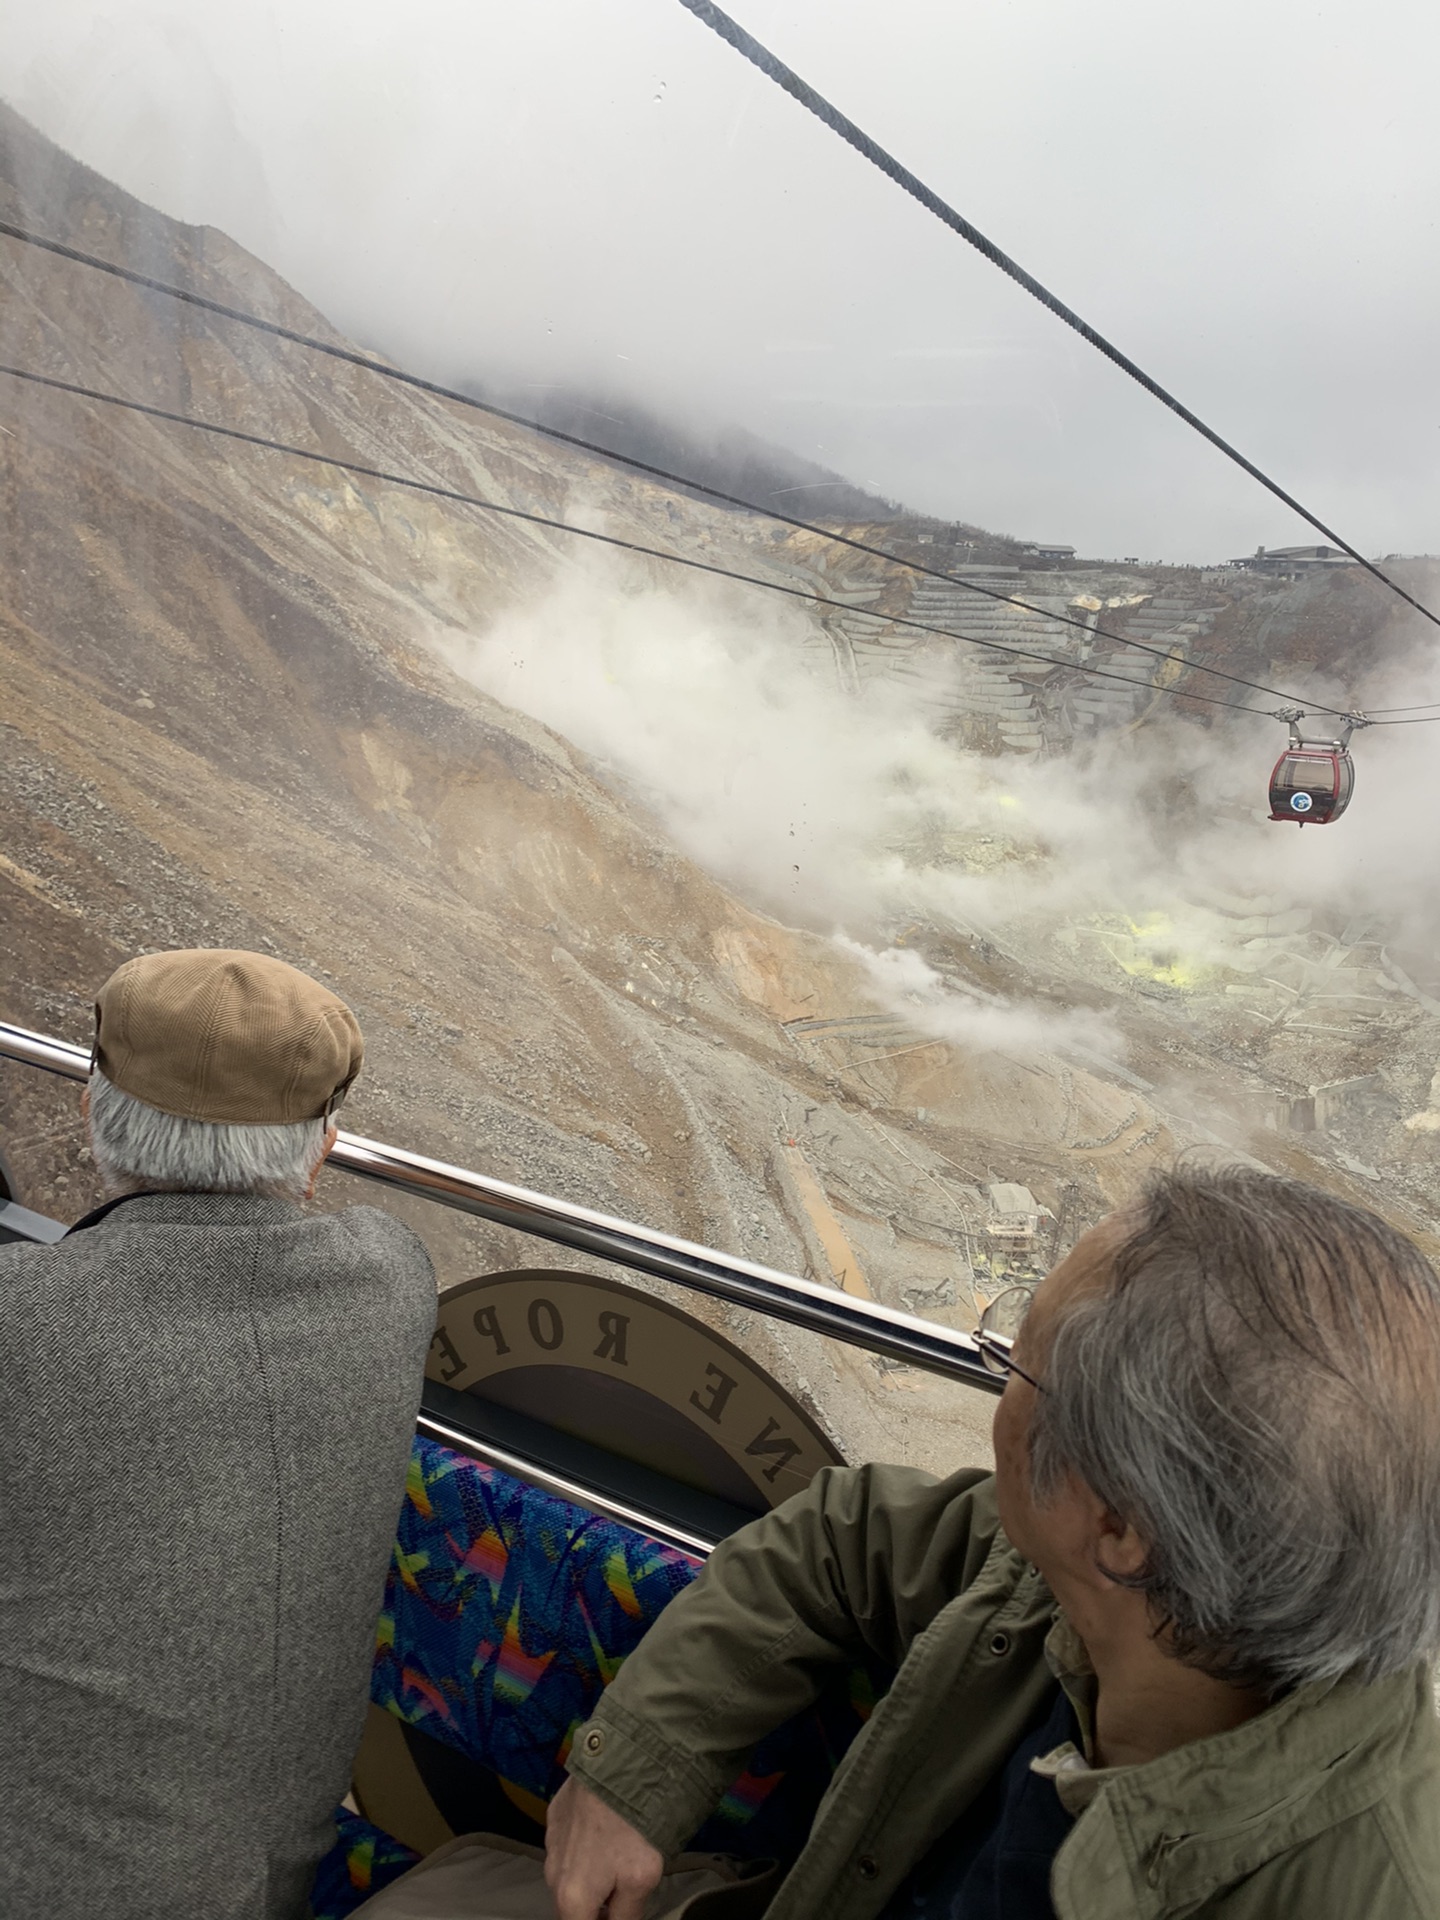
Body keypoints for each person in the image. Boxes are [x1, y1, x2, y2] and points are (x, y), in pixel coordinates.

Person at [544, 1167, 1440, 1919]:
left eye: (1014, 1364)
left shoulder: (1373, 1890)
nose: (997, 1388)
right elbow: (842, 1537)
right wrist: (634, 1769)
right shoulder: (1067, 1591)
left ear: (1122, 1527)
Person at [0, 949, 438, 1920]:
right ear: (320, 1148)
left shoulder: (20, 1321)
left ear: (90, 1112)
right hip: (269, 1882)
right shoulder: (395, 1281)